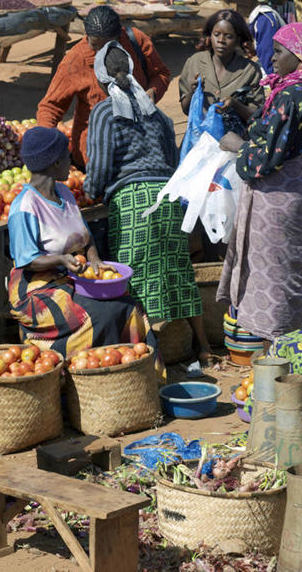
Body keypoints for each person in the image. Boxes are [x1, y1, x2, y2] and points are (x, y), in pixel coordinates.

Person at [85, 43, 215, 365]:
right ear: (132, 71)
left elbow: (99, 169)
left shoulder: (103, 112)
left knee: (137, 280)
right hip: (167, 200)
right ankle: (204, 348)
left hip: (132, 204)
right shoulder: (156, 112)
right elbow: (173, 162)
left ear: (102, 80)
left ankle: (148, 356)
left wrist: (90, 190)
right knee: (179, 273)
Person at [7, 126, 164, 376]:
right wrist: (60, 259)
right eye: (67, 156)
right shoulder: (25, 206)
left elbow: (86, 237)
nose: (71, 162)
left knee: (127, 304)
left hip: (72, 277)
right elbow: (26, 261)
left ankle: (140, 377)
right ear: (54, 162)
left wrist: (95, 260)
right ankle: (84, 376)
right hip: (36, 288)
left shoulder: (65, 193)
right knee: (99, 313)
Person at [217, 22, 302, 346]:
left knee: (273, 272)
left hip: (275, 196)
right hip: (300, 188)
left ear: (299, 55)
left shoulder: (292, 96)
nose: (273, 59)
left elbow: (265, 156)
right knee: (293, 267)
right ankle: (292, 342)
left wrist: (237, 146)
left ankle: (275, 348)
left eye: (280, 52)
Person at [37, 7, 170, 166]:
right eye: (95, 45)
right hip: (95, 151)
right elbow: (50, 106)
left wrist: (152, 92)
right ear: (87, 37)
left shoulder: (136, 41)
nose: (102, 51)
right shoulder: (75, 59)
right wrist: (46, 148)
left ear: (120, 35)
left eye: (109, 44)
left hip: (139, 143)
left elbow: (161, 73)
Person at [180, 10, 265, 138]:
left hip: (233, 142)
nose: (221, 40)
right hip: (199, 140)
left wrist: (235, 105)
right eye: (216, 34)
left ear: (238, 39)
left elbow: (256, 115)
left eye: (229, 36)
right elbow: (186, 109)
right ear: (209, 36)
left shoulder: (250, 71)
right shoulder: (195, 62)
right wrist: (193, 92)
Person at [248, 0, 290, 74]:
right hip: (269, 73)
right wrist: (274, 77)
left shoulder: (270, 13)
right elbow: (266, 53)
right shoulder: (267, 19)